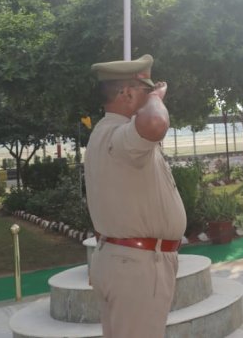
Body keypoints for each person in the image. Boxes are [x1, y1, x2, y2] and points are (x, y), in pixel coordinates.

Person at [85, 54, 186, 338]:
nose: (150, 99)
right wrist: (157, 97)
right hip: (137, 267)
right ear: (128, 93)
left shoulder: (107, 135)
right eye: (145, 91)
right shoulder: (118, 135)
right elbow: (155, 123)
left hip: (127, 262)